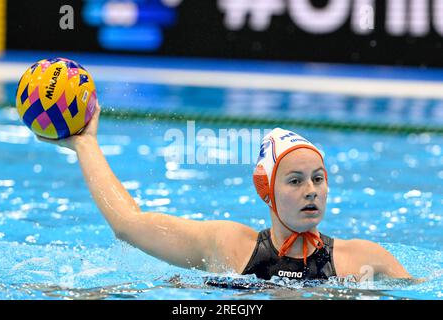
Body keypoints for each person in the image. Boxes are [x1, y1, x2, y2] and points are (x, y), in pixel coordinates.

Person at [37, 103, 412, 282]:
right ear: (268, 191)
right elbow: (128, 225)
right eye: (295, 181)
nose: (311, 190)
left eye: (318, 178)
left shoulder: (362, 257)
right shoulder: (229, 245)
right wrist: (86, 145)